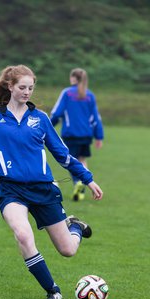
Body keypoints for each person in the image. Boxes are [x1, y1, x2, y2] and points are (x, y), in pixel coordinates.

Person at [0, 65, 103, 299]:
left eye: (30, 87)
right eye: (22, 87)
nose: (27, 92)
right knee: (23, 235)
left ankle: (75, 227)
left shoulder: (40, 119)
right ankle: (53, 290)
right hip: (11, 191)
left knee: (68, 250)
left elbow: (63, 155)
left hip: (44, 190)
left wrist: (87, 179)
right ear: (10, 86)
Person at [50, 68, 104, 201]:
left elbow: (57, 113)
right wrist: (99, 136)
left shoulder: (67, 93)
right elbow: (96, 118)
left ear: (73, 78)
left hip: (71, 134)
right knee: (82, 159)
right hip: (86, 134)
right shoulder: (89, 95)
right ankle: (84, 183)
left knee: (71, 160)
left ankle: (78, 183)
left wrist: (48, 127)